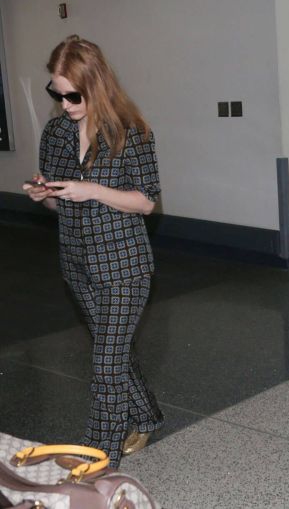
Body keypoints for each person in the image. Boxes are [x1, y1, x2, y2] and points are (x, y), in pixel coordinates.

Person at [23, 35, 164, 466]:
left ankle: (99, 456)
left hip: (124, 265)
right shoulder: (57, 131)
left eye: (72, 94)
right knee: (114, 350)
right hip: (77, 263)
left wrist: (91, 190)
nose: (64, 103)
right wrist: (43, 194)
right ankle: (149, 417)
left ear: (96, 83)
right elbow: (58, 200)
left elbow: (146, 200)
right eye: (57, 93)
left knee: (105, 363)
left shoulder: (130, 131)